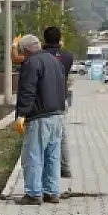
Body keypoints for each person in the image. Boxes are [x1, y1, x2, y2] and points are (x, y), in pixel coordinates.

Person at [13, 34, 67, 205]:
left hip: (39, 117)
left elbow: (28, 90)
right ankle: (51, 192)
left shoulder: (32, 63)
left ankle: (34, 193)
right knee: (52, 155)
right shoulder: (54, 61)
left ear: (26, 50)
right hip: (57, 115)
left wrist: (21, 114)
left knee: (33, 155)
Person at [42, 26, 74, 179]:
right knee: (61, 135)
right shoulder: (68, 56)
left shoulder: (41, 56)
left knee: (42, 136)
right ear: (60, 40)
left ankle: (46, 168)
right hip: (62, 99)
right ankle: (65, 167)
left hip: (44, 101)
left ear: (44, 39)